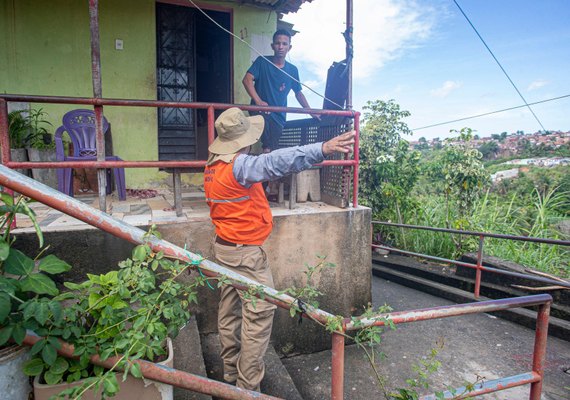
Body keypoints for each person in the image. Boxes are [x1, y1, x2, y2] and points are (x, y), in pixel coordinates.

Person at [204, 107, 354, 392]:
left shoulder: (212, 166)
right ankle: (248, 389)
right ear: (243, 140)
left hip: (223, 249)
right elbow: (277, 161)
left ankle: (228, 375)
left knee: (229, 311)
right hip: (245, 254)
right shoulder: (241, 166)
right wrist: (322, 148)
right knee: (258, 317)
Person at [242, 29, 319, 153]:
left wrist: (310, 111)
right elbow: (247, 80)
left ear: (290, 47)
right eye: (278, 43)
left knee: (272, 148)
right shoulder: (262, 62)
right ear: (273, 46)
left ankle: (267, 163)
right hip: (260, 111)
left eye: (284, 44)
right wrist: (258, 101)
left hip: (279, 116)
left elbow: (298, 93)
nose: (281, 47)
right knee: (262, 144)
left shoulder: (292, 70)